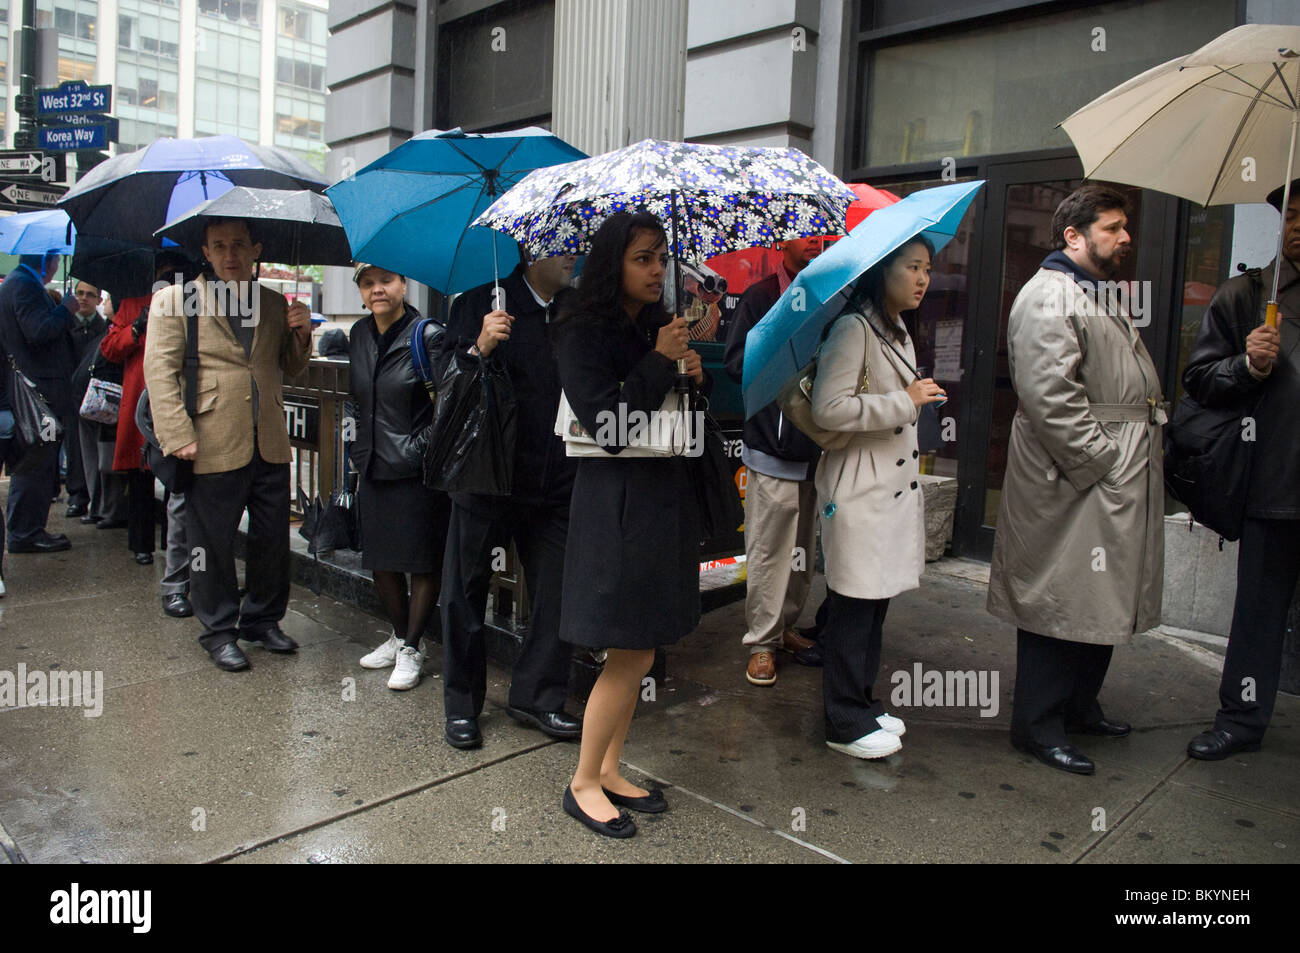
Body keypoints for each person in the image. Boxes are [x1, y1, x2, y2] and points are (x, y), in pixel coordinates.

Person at [987, 185, 1165, 776]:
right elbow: (1049, 395)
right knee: (1058, 600)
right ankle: (1036, 726)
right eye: (1112, 227)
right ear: (1073, 235)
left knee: (1099, 596)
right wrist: (1102, 462)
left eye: (1123, 227)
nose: (1124, 238)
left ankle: (1080, 706)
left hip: (1106, 473)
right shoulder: (1049, 296)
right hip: (1076, 478)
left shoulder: (1092, 291)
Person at [552, 210, 705, 837]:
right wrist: (661, 361)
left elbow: (678, 411)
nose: (657, 268)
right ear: (612, 261)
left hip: (661, 500)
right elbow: (609, 426)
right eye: (643, 257)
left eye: (662, 256)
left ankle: (610, 767)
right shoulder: (578, 328)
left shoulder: (654, 326)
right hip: (614, 505)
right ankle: (583, 781)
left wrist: (691, 370)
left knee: (642, 647)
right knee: (625, 648)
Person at [143, 218, 312, 672]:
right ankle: (218, 629)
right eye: (220, 246)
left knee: (273, 539)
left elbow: (292, 369)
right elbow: (159, 372)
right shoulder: (176, 300)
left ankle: (262, 619)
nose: (230, 254)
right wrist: (177, 435)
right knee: (211, 543)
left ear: (256, 248)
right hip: (209, 439)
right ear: (207, 250)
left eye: (239, 244)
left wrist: (302, 334)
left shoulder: (274, 302)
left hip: (269, 440)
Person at [435, 251, 582, 749]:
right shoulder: (481, 301)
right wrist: (477, 347)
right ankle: (461, 703)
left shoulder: (576, 308)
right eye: (560, 244)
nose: (572, 252)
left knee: (556, 590)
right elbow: (444, 380)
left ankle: (537, 695)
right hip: (486, 474)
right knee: (464, 589)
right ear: (529, 250)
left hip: (556, 476)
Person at [810, 237, 944, 761]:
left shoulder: (894, 327)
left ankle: (862, 701)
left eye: (927, 269)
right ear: (881, 271)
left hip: (886, 490)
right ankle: (842, 719)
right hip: (860, 489)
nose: (922, 279)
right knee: (852, 604)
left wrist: (914, 396)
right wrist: (901, 400)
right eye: (911, 267)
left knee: (874, 603)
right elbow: (828, 409)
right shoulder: (853, 327)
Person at [1182, 180, 1300, 760]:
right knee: (1258, 613)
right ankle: (1241, 721)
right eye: (1293, 215)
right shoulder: (1247, 296)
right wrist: (1246, 366)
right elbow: (1199, 382)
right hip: (1272, 487)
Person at [724, 237, 825, 686]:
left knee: (803, 550)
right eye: (807, 238)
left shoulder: (829, 298)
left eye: (823, 238)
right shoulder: (761, 297)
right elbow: (735, 364)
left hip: (818, 446)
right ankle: (761, 643)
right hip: (771, 447)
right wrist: (785, 343)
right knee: (769, 551)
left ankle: (785, 628)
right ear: (785, 242)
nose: (816, 245)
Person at [349, 263, 451, 690]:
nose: (378, 290)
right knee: (381, 559)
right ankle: (398, 635)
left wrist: (414, 450)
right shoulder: (358, 334)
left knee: (421, 560)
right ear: (360, 291)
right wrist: (358, 446)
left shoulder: (428, 336)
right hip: (372, 464)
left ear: (404, 284)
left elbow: (449, 404)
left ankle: (413, 646)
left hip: (415, 470)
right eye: (368, 283)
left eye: (386, 281)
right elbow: (356, 398)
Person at [0, 252, 79, 555]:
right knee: (36, 465)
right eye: (56, 260)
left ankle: (28, 528)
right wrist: (65, 310)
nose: (58, 266)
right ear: (47, 262)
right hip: (39, 394)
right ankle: (26, 531)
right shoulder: (23, 285)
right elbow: (38, 331)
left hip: (37, 391)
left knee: (36, 463)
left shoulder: (17, 284)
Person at [62, 281, 106, 519]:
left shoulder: (103, 329)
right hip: (71, 396)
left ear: (99, 300)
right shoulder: (65, 327)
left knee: (93, 450)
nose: (83, 298)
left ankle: (93, 497)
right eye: (79, 293)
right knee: (75, 448)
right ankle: (77, 495)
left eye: (90, 294)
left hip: (95, 398)